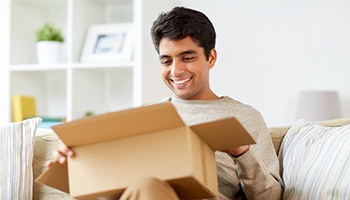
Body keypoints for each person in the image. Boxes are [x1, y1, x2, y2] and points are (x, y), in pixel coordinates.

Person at [49, 6, 283, 200]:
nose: (176, 70)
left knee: (148, 187)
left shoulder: (244, 116)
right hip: (141, 192)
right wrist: (80, 167)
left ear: (210, 58)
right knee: (143, 185)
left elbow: (271, 197)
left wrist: (242, 153)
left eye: (187, 58)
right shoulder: (145, 117)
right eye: (166, 60)